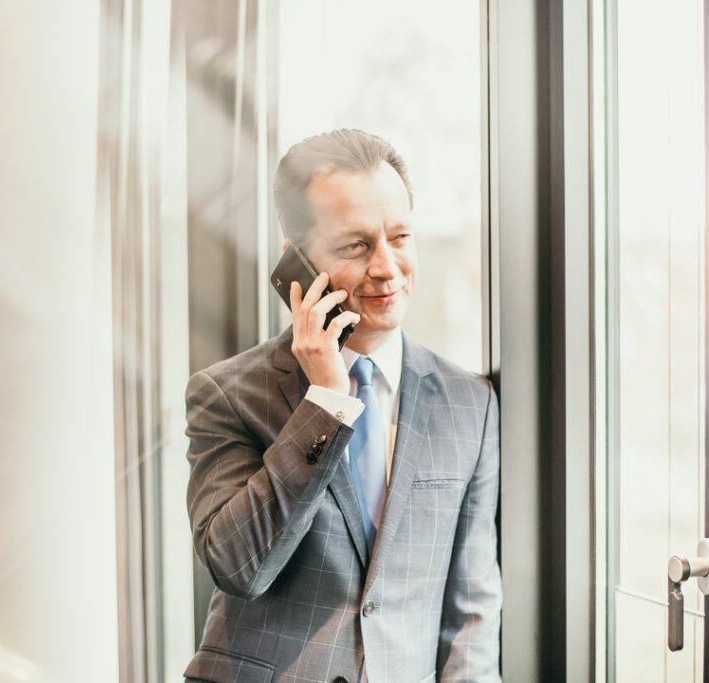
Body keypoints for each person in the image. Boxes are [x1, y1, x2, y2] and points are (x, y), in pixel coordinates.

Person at [183, 129, 501, 683]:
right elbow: (238, 567)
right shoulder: (226, 394)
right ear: (297, 264)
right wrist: (326, 402)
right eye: (356, 245)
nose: (386, 266)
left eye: (399, 236)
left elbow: (471, 611)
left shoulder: (469, 404)